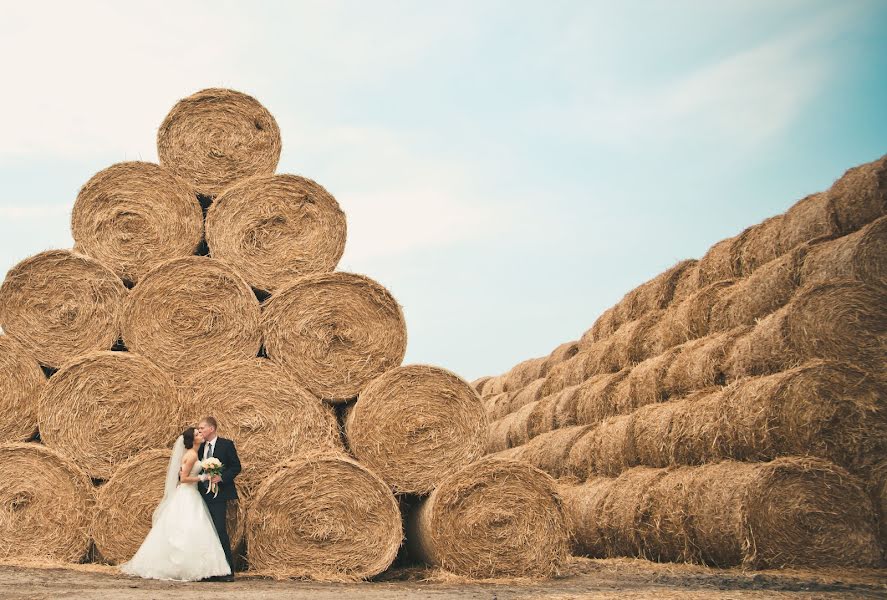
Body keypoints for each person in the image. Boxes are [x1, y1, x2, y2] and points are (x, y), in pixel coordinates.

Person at [120, 427, 231, 582]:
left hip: (190, 494)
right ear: (193, 440)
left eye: (200, 432)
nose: (201, 434)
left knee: (189, 529)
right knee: (189, 529)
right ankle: (188, 567)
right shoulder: (192, 455)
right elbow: (183, 478)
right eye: (198, 434)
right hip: (188, 494)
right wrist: (203, 478)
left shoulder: (193, 453)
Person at [196, 416, 241, 579]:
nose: (199, 431)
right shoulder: (199, 447)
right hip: (201, 495)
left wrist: (221, 478)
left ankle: (228, 571)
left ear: (212, 428)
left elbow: (236, 466)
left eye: (202, 428)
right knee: (203, 532)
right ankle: (208, 571)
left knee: (220, 530)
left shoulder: (226, 445)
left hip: (219, 495)